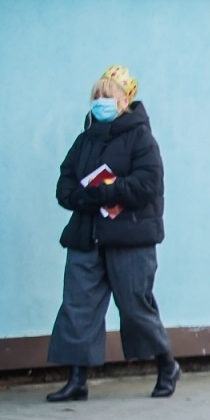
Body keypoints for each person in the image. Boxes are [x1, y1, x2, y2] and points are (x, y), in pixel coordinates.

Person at [47, 65, 179, 402]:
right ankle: (77, 380)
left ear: (124, 100)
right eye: (96, 96)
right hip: (86, 235)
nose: (101, 101)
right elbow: (65, 182)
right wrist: (80, 197)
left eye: (108, 95)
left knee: (136, 307)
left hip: (129, 239)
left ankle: (166, 364)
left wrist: (108, 190)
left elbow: (148, 184)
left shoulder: (141, 138)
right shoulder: (84, 140)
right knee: (79, 306)